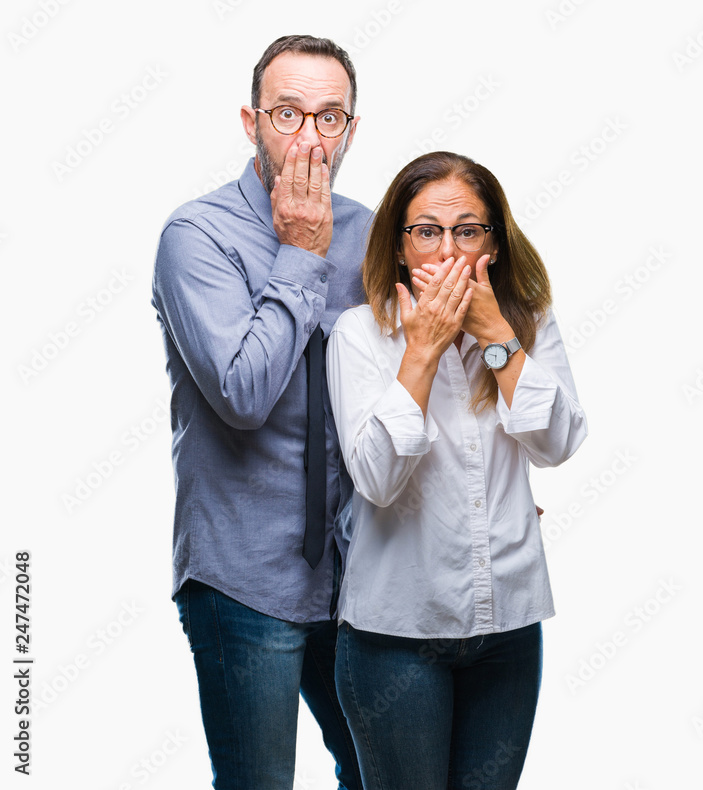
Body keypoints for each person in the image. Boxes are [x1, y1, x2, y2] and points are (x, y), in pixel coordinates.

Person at [327, 151, 588, 789]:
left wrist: (497, 334)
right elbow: (377, 480)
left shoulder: (527, 321)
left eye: (468, 230)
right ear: (397, 246)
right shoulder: (360, 335)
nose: (448, 250)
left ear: (493, 244)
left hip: (508, 625)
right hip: (395, 637)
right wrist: (421, 353)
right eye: (427, 232)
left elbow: (557, 443)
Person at [151, 35, 366, 789]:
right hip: (242, 577)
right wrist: (302, 253)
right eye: (288, 113)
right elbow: (243, 395)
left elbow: (413, 387)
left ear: (352, 128)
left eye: (330, 117)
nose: (309, 137)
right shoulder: (195, 237)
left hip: (357, 574)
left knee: (389, 774)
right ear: (251, 122)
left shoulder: (372, 235)